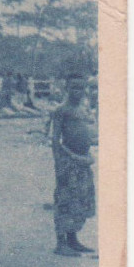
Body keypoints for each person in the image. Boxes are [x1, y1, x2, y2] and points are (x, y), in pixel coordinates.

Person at [48, 73, 98, 257]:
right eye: (74, 87)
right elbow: (55, 139)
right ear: (67, 88)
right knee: (65, 201)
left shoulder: (83, 109)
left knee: (80, 199)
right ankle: (61, 243)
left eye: (81, 87)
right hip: (68, 161)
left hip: (83, 160)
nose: (78, 91)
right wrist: (59, 163)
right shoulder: (62, 110)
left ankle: (73, 239)